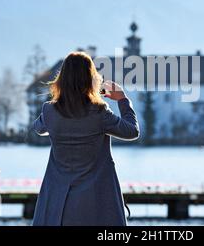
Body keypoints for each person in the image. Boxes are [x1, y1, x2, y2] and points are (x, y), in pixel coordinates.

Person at [31, 51, 140, 226]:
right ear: (91, 79)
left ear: (62, 79)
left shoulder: (49, 111)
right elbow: (132, 131)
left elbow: (38, 128)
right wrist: (122, 100)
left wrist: (58, 100)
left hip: (58, 202)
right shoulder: (100, 112)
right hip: (96, 203)